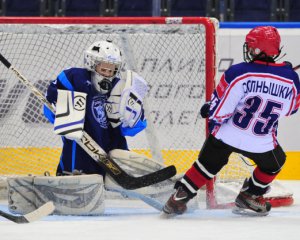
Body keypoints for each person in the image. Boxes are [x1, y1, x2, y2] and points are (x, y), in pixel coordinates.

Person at [163, 26, 300, 216]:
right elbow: (290, 110)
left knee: (206, 165)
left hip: (227, 134)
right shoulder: (291, 79)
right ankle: (250, 195)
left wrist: (209, 108)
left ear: (257, 49)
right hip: (261, 142)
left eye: (251, 46)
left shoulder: (238, 72)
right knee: (275, 163)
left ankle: (179, 197)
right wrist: (287, 77)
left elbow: (220, 112)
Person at [44, 39, 149, 176]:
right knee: (74, 155)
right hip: (79, 152)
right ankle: (68, 174)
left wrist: (134, 118)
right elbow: (50, 105)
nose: (106, 73)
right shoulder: (76, 78)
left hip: (111, 153)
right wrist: (58, 107)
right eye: (103, 69)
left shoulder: (120, 87)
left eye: (111, 70)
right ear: (92, 64)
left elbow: (131, 129)